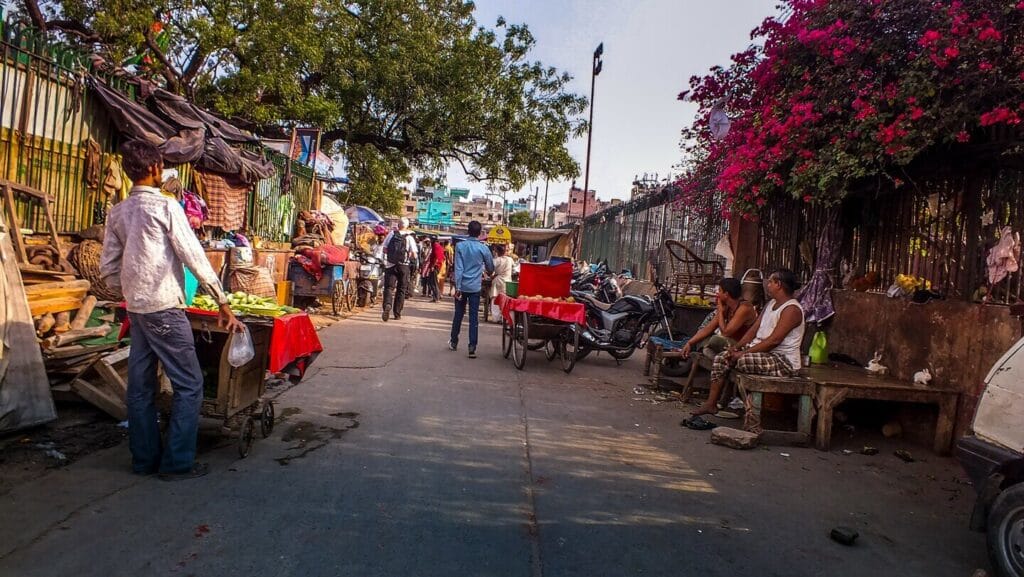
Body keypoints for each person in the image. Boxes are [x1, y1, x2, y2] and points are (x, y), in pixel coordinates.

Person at [100, 140, 244, 481]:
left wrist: (131, 291)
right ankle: (178, 463)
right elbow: (193, 255)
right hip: (164, 308)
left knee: (139, 388)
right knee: (190, 384)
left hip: (138, 310)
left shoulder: (117, 212)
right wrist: (221, 300)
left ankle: (144, 460)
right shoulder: (165, 208)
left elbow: (108, 269)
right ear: (155, 169)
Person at [693, 269, 805, 417]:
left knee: (741, 360)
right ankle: (711, 404)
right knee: (722, 357)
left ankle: (747, 409)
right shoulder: (770, 304)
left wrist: (742, 353)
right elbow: (753, 331)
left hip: (783, 361)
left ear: (778, 284)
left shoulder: (792, 309)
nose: (768, 284)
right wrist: (736, 348)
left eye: (770, 281)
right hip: (762, 354)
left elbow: (774, 341)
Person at [681, 278, 758, 360]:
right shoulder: (727, 307)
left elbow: (725, 333)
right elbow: (708, 328)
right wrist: (689, 343)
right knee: (701, 339)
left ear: (726, 294)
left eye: (720, 290)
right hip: (727, 343)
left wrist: (720, 311)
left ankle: (720, 358)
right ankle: (718, 358)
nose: (718, 293)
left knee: (715, 340)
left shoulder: (744, 308)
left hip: (741, 346)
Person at [448, 221, 494, 358]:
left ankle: (454, 341)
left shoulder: (460, 246)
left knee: (458, 315)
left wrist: (458, 287)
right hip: (475, 287)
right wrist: (488, 272)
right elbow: (490, 266)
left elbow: (459, 268)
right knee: (474, 317)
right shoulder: (483, 248)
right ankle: (472, 346)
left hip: (462, 287)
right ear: (480, 233)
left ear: (468, 231)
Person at [380, 218, 418, 321]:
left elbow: (384, 248)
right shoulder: (409, 237)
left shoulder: (392, 234)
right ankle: (397, 313)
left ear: (398, 225)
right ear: (407, 226)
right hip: (403, 266)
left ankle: (387, 305)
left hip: (390, 265)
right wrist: (408, 255)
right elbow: (414, 254)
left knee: (389, 288)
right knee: (401, 290)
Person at [488, 244, 514, 322]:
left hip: (497, 281)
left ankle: (496, 318)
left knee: (495, 298)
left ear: (497, 252)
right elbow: (514, 269)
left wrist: (492, 275)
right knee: (506, 299)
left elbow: (491, 270)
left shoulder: (496, 260)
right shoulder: (510, 260)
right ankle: (505, 318)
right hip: (507, 281)